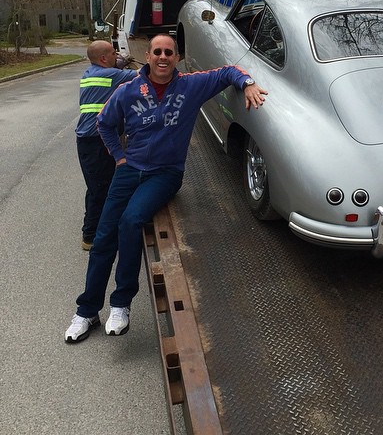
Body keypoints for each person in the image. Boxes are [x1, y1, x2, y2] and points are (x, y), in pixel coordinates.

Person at [65, 34, 267, 343]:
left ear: (176, 58)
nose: (163, 57)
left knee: (131, 221)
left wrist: (248, 83)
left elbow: (227, 72)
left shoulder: (190, 86)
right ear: (147, 55)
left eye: (168, 52)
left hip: (165, 174)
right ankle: (87, 310)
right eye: (157, 51)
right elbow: (104, 122)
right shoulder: (128, 90)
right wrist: (119, 157)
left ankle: (120, 304)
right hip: (130, 169)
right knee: (104, 234)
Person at [76, 41, 138, 250]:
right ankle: (90, 237)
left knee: (99, 186)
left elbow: (114, 69)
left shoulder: (90, 73)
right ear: (104, 59)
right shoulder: (110, 76)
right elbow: (142, 74)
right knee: (100, 190)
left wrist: (118, 62)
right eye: (113, 53)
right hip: (95, 142)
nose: (117, 55)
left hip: (89, 141)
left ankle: (96, 230)